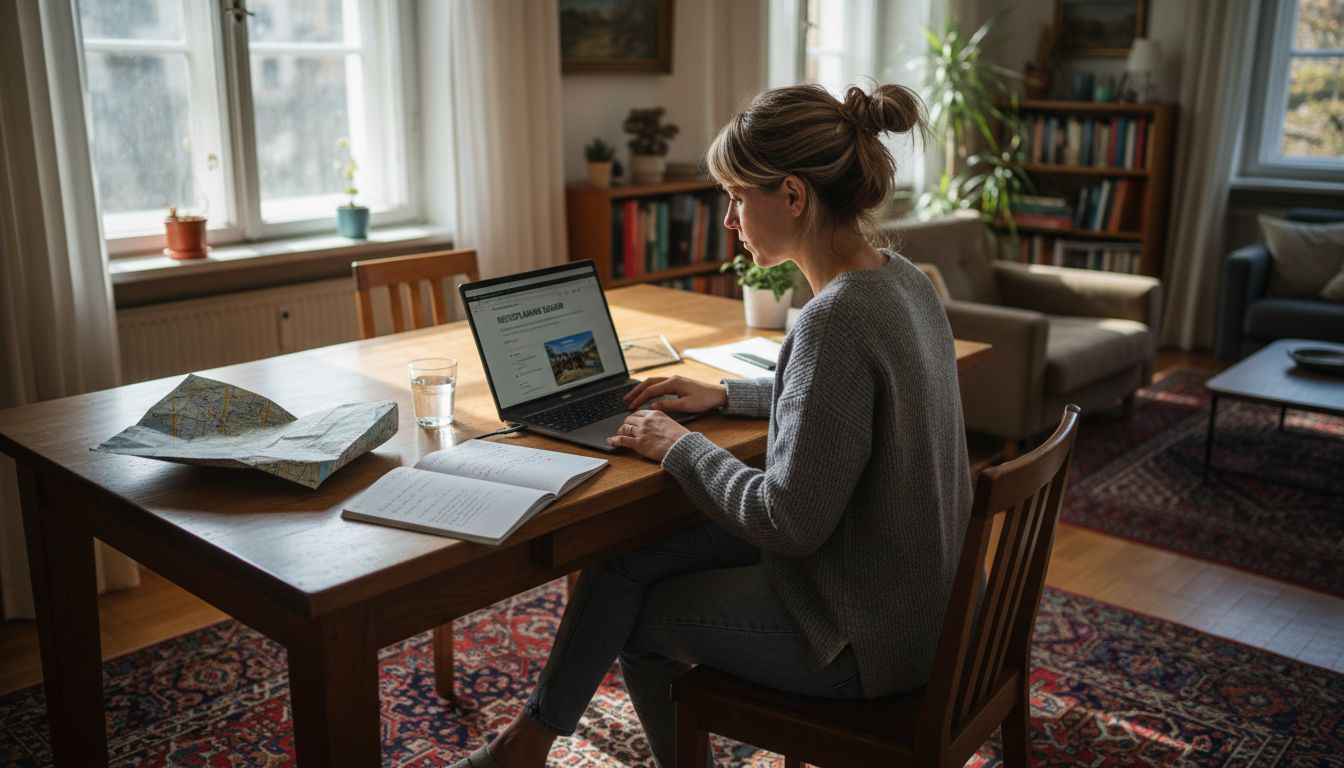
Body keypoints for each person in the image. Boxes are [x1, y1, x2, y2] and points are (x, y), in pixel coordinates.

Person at [450, 82, 972, 768]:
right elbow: (850, 407)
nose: (727, 219)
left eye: (735, 196)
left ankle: (538, 747)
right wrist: (726, 396)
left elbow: (786, 521)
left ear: (791, 196)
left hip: (864, 635)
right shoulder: (903, 280)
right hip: (919, 599)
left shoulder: (833, 320)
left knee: (642, 622)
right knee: (624, 561)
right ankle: (528, 744)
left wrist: (679, 445)